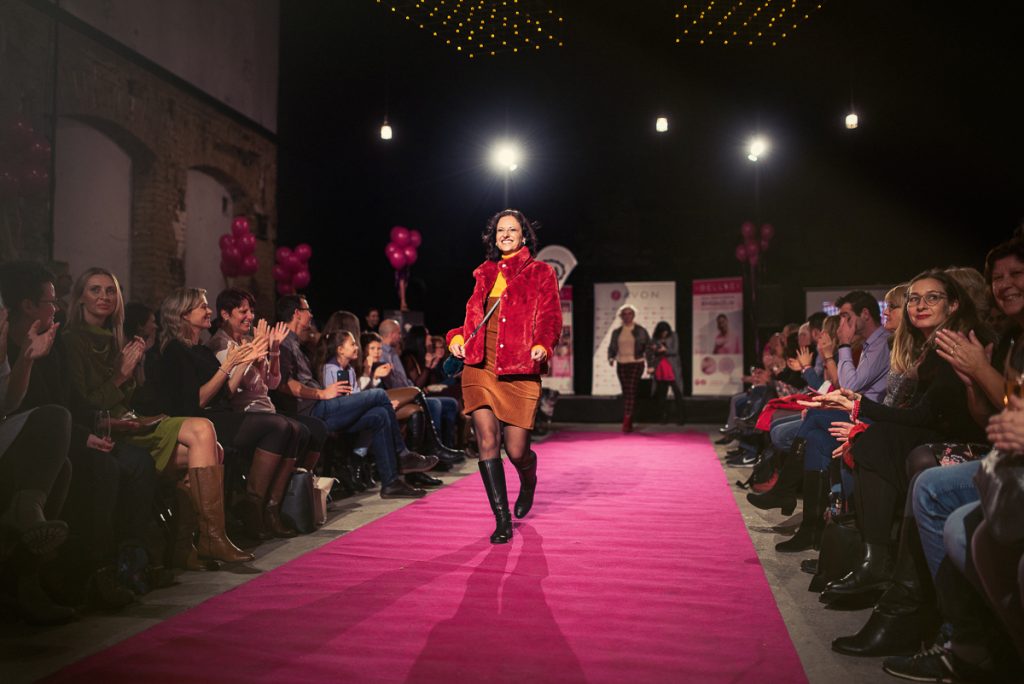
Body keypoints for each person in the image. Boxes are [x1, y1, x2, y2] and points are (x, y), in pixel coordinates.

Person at [63, 268, 252, 568]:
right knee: (204, 432)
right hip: (108, 428)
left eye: (110, 290)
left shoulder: (116, 339)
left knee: (211, 448)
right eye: (95, 290)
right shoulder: (71, 341)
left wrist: (131, 375)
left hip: (133, 419)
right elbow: (83, 404)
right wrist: (121, 376)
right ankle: (208, 539)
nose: (104, 296)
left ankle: (187, 545)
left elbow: (129, 397)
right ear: (80, 297)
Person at [447, 209, 562, 543]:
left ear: (524, 235)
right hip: (479, 366)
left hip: (518, 368)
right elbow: (471, 320)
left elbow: (551, 318)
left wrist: (542, 345)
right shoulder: (484, 272)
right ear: (493, 237)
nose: (506, 235)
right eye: (500, 230)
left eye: (512, 230)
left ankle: (528, 479)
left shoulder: (540, 272)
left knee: (516, 451)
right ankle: (502, 520)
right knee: (487, 440)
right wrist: (456, 338)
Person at [273, 294, 437, 498]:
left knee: (379, 415)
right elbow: (283, 384)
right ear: (297, 313)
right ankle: (402, 455)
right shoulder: (284, 343)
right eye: (308, 310)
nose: (311, 315)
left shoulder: (297, 343)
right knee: (379, 395)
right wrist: (322, 393)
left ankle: (391, 482)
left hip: (320, 406)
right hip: (313, 409)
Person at [207, 287, 328, 538]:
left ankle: (275, 505)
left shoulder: (247, 341)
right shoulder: (220, 344)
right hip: (244, 412)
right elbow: (235, 390)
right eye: (243, 312)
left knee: (305, 429)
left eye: (251, 311)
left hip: (264, 408)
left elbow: (270, 384)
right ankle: (254, 506)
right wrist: (253, 355)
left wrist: (272, 351)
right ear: (225, 314)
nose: (250, 316)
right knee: (289, 427)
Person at [378, 318, 466, 464]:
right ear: (392, 334)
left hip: (410, 392)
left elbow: (405, 380)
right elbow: (391, 383)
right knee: (435, 404)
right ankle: (434, 450)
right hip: (398, 396)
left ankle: (444, 449)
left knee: (449, 403)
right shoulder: (382, 353)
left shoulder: (393, 352)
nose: (401, 336)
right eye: (399, 333)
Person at [607, 304, 650, 433]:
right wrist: (611, 357)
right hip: (621, 363)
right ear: (621, 316)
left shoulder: (641, 330)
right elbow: (612, 346)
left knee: (630, 390)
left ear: (633, 315)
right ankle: (629, 420)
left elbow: (648, 347)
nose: (627, 316)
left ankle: (626, 421)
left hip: (636, 362)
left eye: (629, 313)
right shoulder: (617, 332)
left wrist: (651, 365)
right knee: (626, 391)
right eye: (624, 314)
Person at [647, 321, 684, 424]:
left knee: (678, 393)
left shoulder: (674, 335)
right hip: (660, 368)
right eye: (662, 332)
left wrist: (665, 350)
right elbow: (650, 352)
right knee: (661, 395)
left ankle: (680, 417)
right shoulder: (654, 338)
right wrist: (655, 350)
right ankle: (663, 417)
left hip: (672, 368)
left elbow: (675, 350)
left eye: (666, 332)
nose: (664, 334)